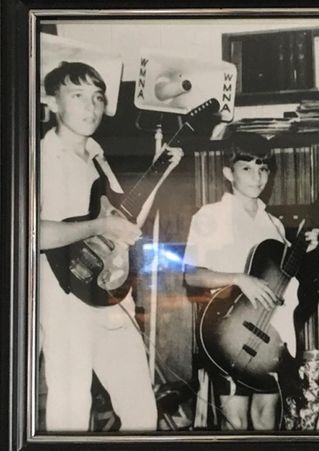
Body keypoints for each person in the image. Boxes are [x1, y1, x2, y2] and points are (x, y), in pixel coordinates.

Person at [39, 61, 182, 431]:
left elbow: (127, 220)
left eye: (98, 98)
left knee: (141, 410)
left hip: (108, 294)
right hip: (64, 298)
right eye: (79, 96)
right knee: (70, 409)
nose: (92, 107)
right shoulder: (37, 158)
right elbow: (32, 234)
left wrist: (161, 170)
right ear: (52, 102)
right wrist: (101, 225)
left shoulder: (98, 157)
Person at [183, 133, 319, 431]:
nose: (257, 176)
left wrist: (304, 252)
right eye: (247, 168)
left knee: (266, 422)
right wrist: (239, 279)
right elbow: (191, 275)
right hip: (226, 332)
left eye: (263, 168)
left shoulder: (273, 224)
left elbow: (285, 282)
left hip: (268, 337)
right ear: (227, 173)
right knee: (235, 425)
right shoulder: (210, 216)